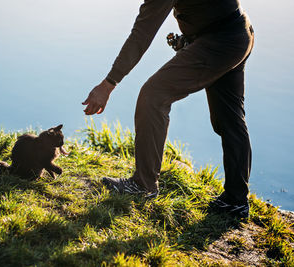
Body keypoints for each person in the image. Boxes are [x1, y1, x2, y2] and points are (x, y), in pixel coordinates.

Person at [82, 0, 254, 218]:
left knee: (153, 96)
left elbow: (142, 34)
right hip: (239, 33)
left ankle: (143, 186)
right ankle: (236, 201)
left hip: (219, 42)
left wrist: (109, 83)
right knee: (230, 120)